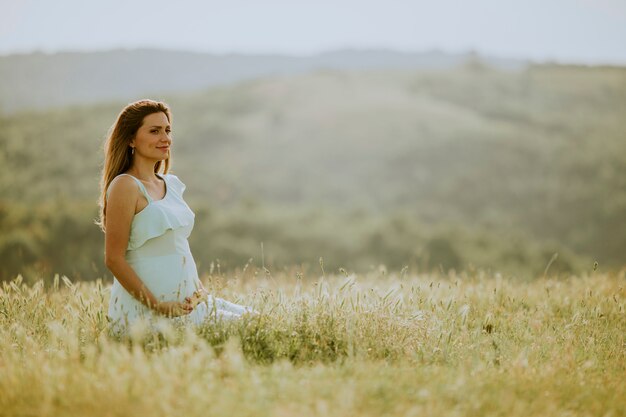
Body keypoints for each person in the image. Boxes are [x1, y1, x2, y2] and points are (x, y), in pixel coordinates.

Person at [95, 99, 255, 336]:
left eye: (168, 130)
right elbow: (114, 259)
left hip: (188, 304)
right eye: (154, 131)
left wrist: (198, 289)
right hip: (150, 311)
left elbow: (177, 246)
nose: (165, 138)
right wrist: (157, 305)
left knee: (256, 320)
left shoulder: (171, 183)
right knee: (245, 329)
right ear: (131, 139)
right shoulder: (125, 186)